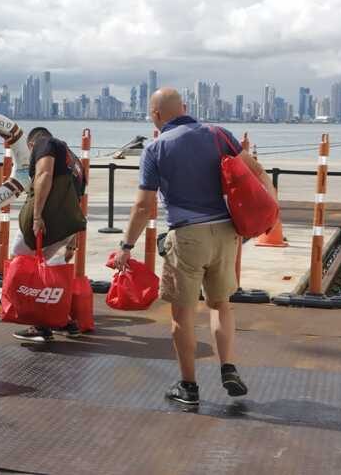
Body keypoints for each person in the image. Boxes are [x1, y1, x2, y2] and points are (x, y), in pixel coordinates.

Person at [114, 87, 275, 407]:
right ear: (185, 108)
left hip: (187, 238)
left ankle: (188, 386)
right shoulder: (219, 134)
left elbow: (144, 206)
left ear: (157, 115)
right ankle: (228, 367)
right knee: (220, 305)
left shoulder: (156, 148)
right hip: (226, 234)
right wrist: (270, 207)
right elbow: (255, 170)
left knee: (182, 315)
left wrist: (126, 245)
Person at [11, 127, 87, 343]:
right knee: (48, 270)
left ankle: (41, 325)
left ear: (32, 144)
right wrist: (73, 239)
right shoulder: (73, 160)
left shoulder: (45, 144)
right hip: (66, 226)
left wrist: (36, 216)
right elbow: (78, 198)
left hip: (48, 223)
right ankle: (65, 321)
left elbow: (44, 174)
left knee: (22, 260)